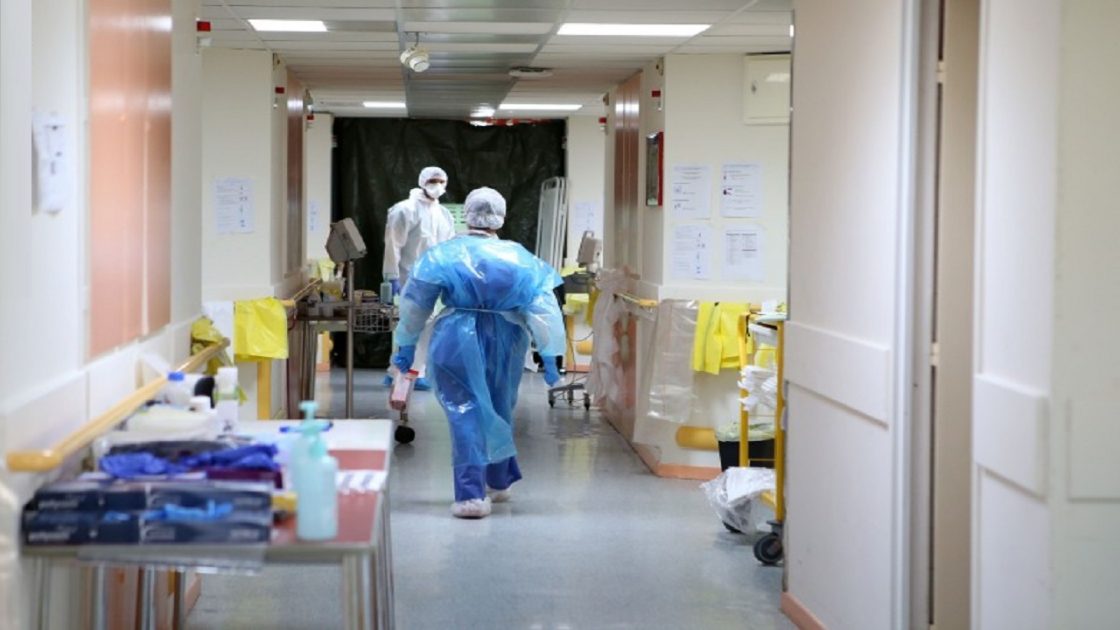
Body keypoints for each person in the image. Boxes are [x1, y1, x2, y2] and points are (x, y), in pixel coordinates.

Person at [392, 187, 565, 519]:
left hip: (454, 338)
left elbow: (415, 304)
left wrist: (407, 344)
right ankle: (497, 482)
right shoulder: (519, 258)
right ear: (501, 217)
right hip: (506, 339)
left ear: (468, 216)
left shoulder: (442, 255)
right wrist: (550, 354)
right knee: (500, 405)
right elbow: (544, 311)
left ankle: (470, 494)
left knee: (465, 411)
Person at [382, 166, 454, 389]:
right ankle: (409, 372)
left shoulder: (444, 214)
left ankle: (401, 370)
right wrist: (392, 276)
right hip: (409, 277)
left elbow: (448, 248)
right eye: (433, 181)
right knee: (410, 325)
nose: (437, 186)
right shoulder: (405, 210)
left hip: (434, 279)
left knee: (424, 325)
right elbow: (393, 244)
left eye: (441, 181)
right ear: (422, 182)